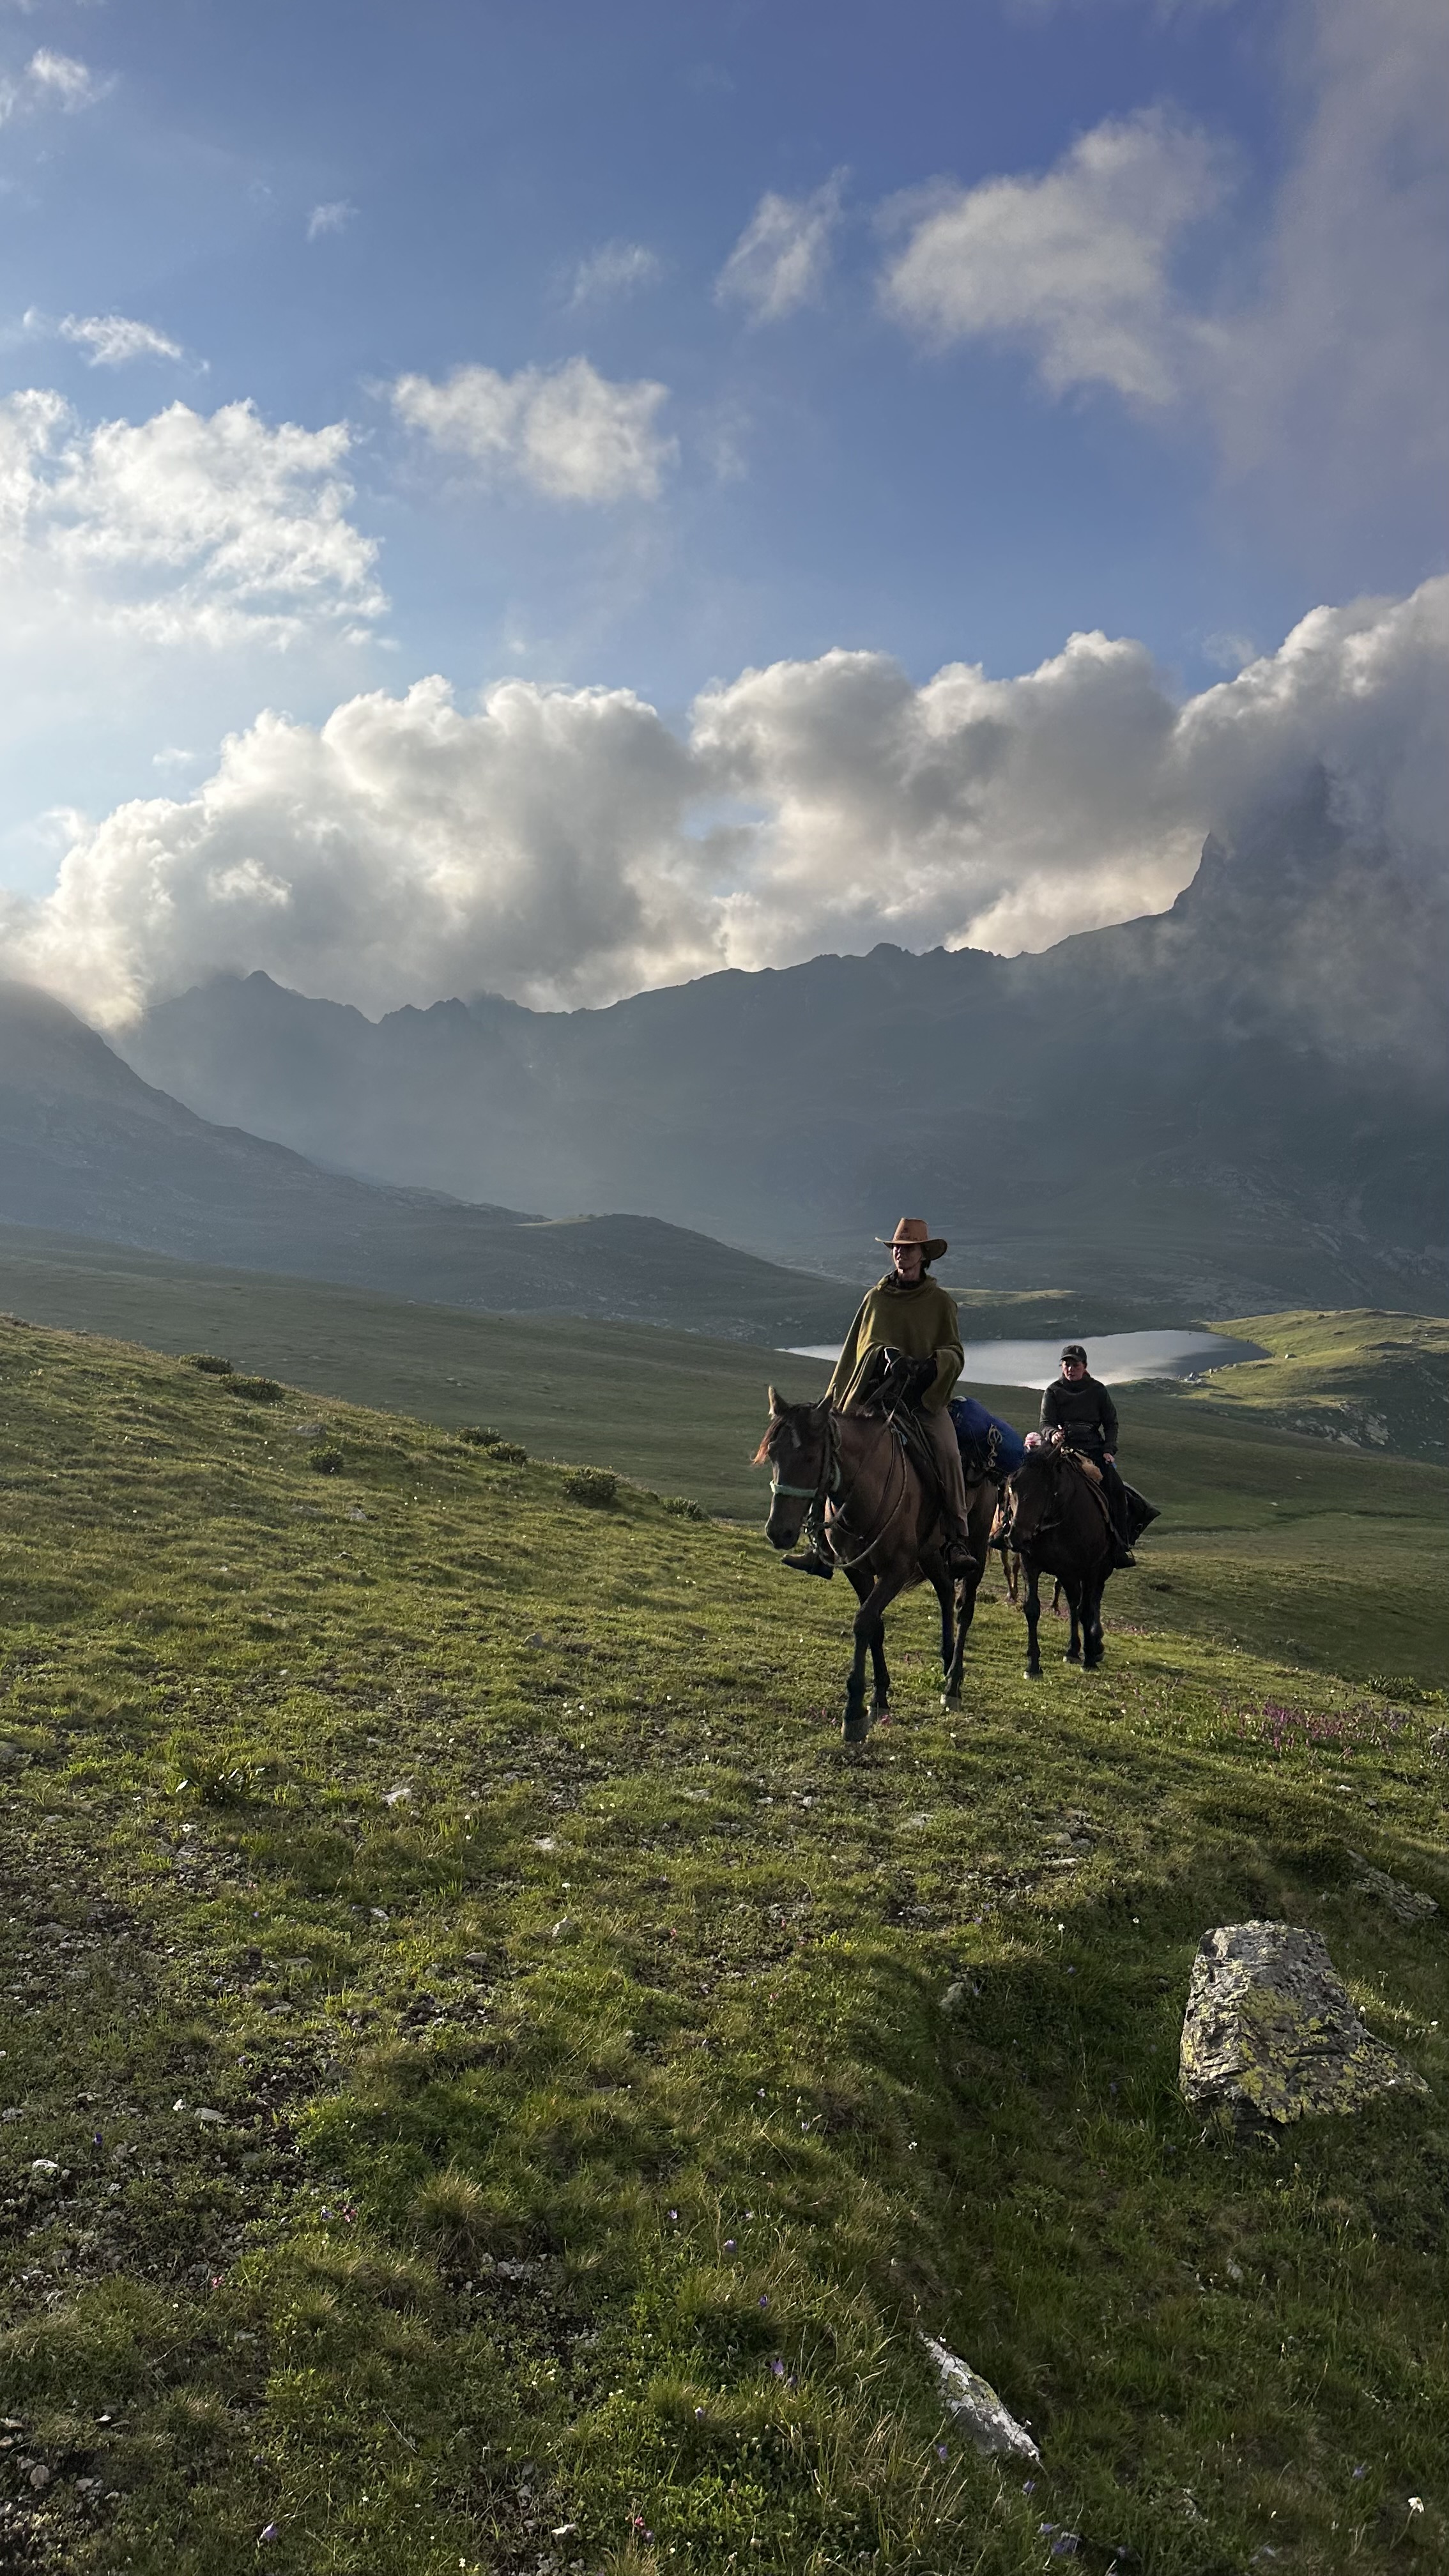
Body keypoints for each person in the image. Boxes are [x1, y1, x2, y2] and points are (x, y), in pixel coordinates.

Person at [784, 1216, 974, 1579]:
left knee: (948, 1452)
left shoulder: (940, 1303)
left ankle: (956, 1539)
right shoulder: (875, 1298)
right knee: (829, 1447)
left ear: (923, 1255)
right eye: (896, 1249)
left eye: (908, 1249)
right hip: (875, 1396)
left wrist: (931, 1366)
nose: (901, 1254)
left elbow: (955, 1351)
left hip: (921, 1401)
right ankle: (818, 1543)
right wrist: (883, 1355)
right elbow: (861, 1346)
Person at [1038, 1343, 1137, 1565]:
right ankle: (1019, 1534)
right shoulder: (1053, 1391)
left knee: (1116, 1489)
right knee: (1033, 1481)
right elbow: (1045, 1423)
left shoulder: (1098, 1390)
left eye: (1075, 1364)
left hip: (1092, 1448)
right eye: (1066, 1364)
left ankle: (1121, 1544)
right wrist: (1053, 1434)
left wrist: (1109, 1450)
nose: (1070, 1369)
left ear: (1085, 1366)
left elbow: (1111, 1424)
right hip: (1062, 1448)